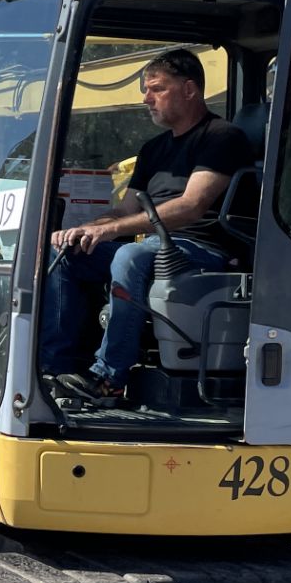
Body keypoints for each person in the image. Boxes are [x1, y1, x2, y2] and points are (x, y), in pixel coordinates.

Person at [40, 48, 254, 407]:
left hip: (206, 250)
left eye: (157, 88)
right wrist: (84, 230)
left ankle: (109, 378)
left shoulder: (221, 137)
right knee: (66, 254)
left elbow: (191, 206)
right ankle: (54, 367)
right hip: (158, 246)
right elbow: (126, 209)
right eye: (146, 89)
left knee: (129, 255)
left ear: (189, 89)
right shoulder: (154, 149)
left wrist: (112, 233)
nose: (146, 98)